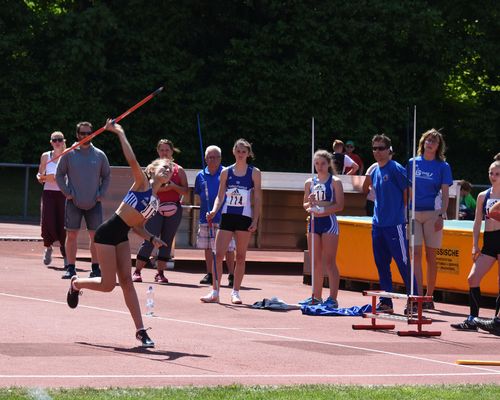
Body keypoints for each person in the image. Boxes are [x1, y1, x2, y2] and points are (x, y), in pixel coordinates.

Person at [66, 119, 172, 348]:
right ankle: (76, 283)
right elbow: (132, 159)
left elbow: (136, 226)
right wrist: (120, 132)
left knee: (127, 281)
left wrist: (152, 238)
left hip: (122, 236)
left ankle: (140, 331)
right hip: (107, 233)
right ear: (153, 169)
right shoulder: (142, 182)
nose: (168, 170)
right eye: (164, 166)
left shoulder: (155, 201)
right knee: (107, 285)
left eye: (170, 169)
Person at [201, 138, 262, 304]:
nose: (241, 154)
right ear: (234, 152)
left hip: (244, 218)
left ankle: (235, 292)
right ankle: (215, 291)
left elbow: (257, 198)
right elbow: (220, 196)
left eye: (244, 151)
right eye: (238, 151)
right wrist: (214, 210)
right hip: (227, 216)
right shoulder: (226, 172)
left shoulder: (254, 172)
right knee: (218, 254)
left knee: (240, 256)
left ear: (248, 154)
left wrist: (255, 220)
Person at [56, 122, 111, 279]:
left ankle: (95, 268)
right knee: (72, 235)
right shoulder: (69, 153)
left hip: (94, 202)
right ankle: (71, 268)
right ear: (77, 134)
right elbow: (59, 174)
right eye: (82, 133)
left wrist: (101, 192)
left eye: (88, 133)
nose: (86, 136)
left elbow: (107, 175)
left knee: (95, 236)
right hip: (74, 202)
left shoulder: (99, 155)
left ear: (93, 134)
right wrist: (67, 192)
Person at [451, 160, 500, 332]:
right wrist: (474, 245)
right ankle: (472, 319)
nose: (493, 177)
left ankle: (497, 322)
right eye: (490, 173)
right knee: (473, 278)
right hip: (489, 241)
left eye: (497, 174)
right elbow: (477, 221)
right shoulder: (483, 196)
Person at [406, 129, 453, 309]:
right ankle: (418, 295)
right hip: (414, 214)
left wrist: (442, 214)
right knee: (415, 254)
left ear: (438, 146)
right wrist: (405, 212)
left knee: (431, 255)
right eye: (428, 140)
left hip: (433, 214)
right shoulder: (412, 162)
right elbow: (407, 189)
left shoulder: (443, 166)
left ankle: (429, 296)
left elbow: (446, 193)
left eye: (434, 141)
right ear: (423, 142)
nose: (430, 143)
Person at [370, 134, 416, 313]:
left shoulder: (395, 168)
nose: (378, 152)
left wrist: (399, 212)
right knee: (381, 263)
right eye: (375, 148)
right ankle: (386, 302)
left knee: (403, 262)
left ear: (389, 150)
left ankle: (414, 301)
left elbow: (408, 191)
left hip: (395, 225)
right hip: (378, 225)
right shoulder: (375, 171)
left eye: (381, 148)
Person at [132, 139, 188, 284]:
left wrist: (173, 186)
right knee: (149, 239)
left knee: (166, 241)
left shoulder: (178, 170)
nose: (164, 152)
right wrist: (163, 189)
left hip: (174, 208)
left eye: (167, 150)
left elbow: (185, 191)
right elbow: (146, 188)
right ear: (158, 151)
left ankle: (160, 273)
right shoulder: (151, 169)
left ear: (172, 151)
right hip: (154, 208)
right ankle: (137, 271)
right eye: (162, 150)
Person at [300, 150, 344, 306]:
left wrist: (323, 210)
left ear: (328, 164)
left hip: (328, 223)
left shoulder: (335, 182)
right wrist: (310, 203)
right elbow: (305, 204)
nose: (319, 166)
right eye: (317, 163)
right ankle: (316, 296)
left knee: (329, 262)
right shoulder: (309, 183)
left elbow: (340, 205)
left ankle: (333, 298)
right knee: (315, 261)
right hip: (313, 223)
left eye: (323, 163)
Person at [195, 145, 235, 287]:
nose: (213, 160)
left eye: (216, 157)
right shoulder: (200, 175)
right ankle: (210, 274)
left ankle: (232, 275)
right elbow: (198, 194)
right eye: (210, 157)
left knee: (229, 248)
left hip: (224, 216)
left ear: (220, 158)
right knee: (208, 247)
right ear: (205, 159)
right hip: (206, 217)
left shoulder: (226, 173)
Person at [36, 131, 67, 267]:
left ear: (63, 141)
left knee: (64, 223)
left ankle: (66, 253)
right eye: (54, 140)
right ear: (51, 142)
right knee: (47, 221)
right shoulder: (45, 156)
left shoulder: (68, 155)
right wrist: (41, 178)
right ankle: (48, 247)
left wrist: (60, 179)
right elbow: (39, 173)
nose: (57, 142)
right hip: (48, 192)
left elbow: (72, 175)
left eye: (59, 140)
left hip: (63, 193)